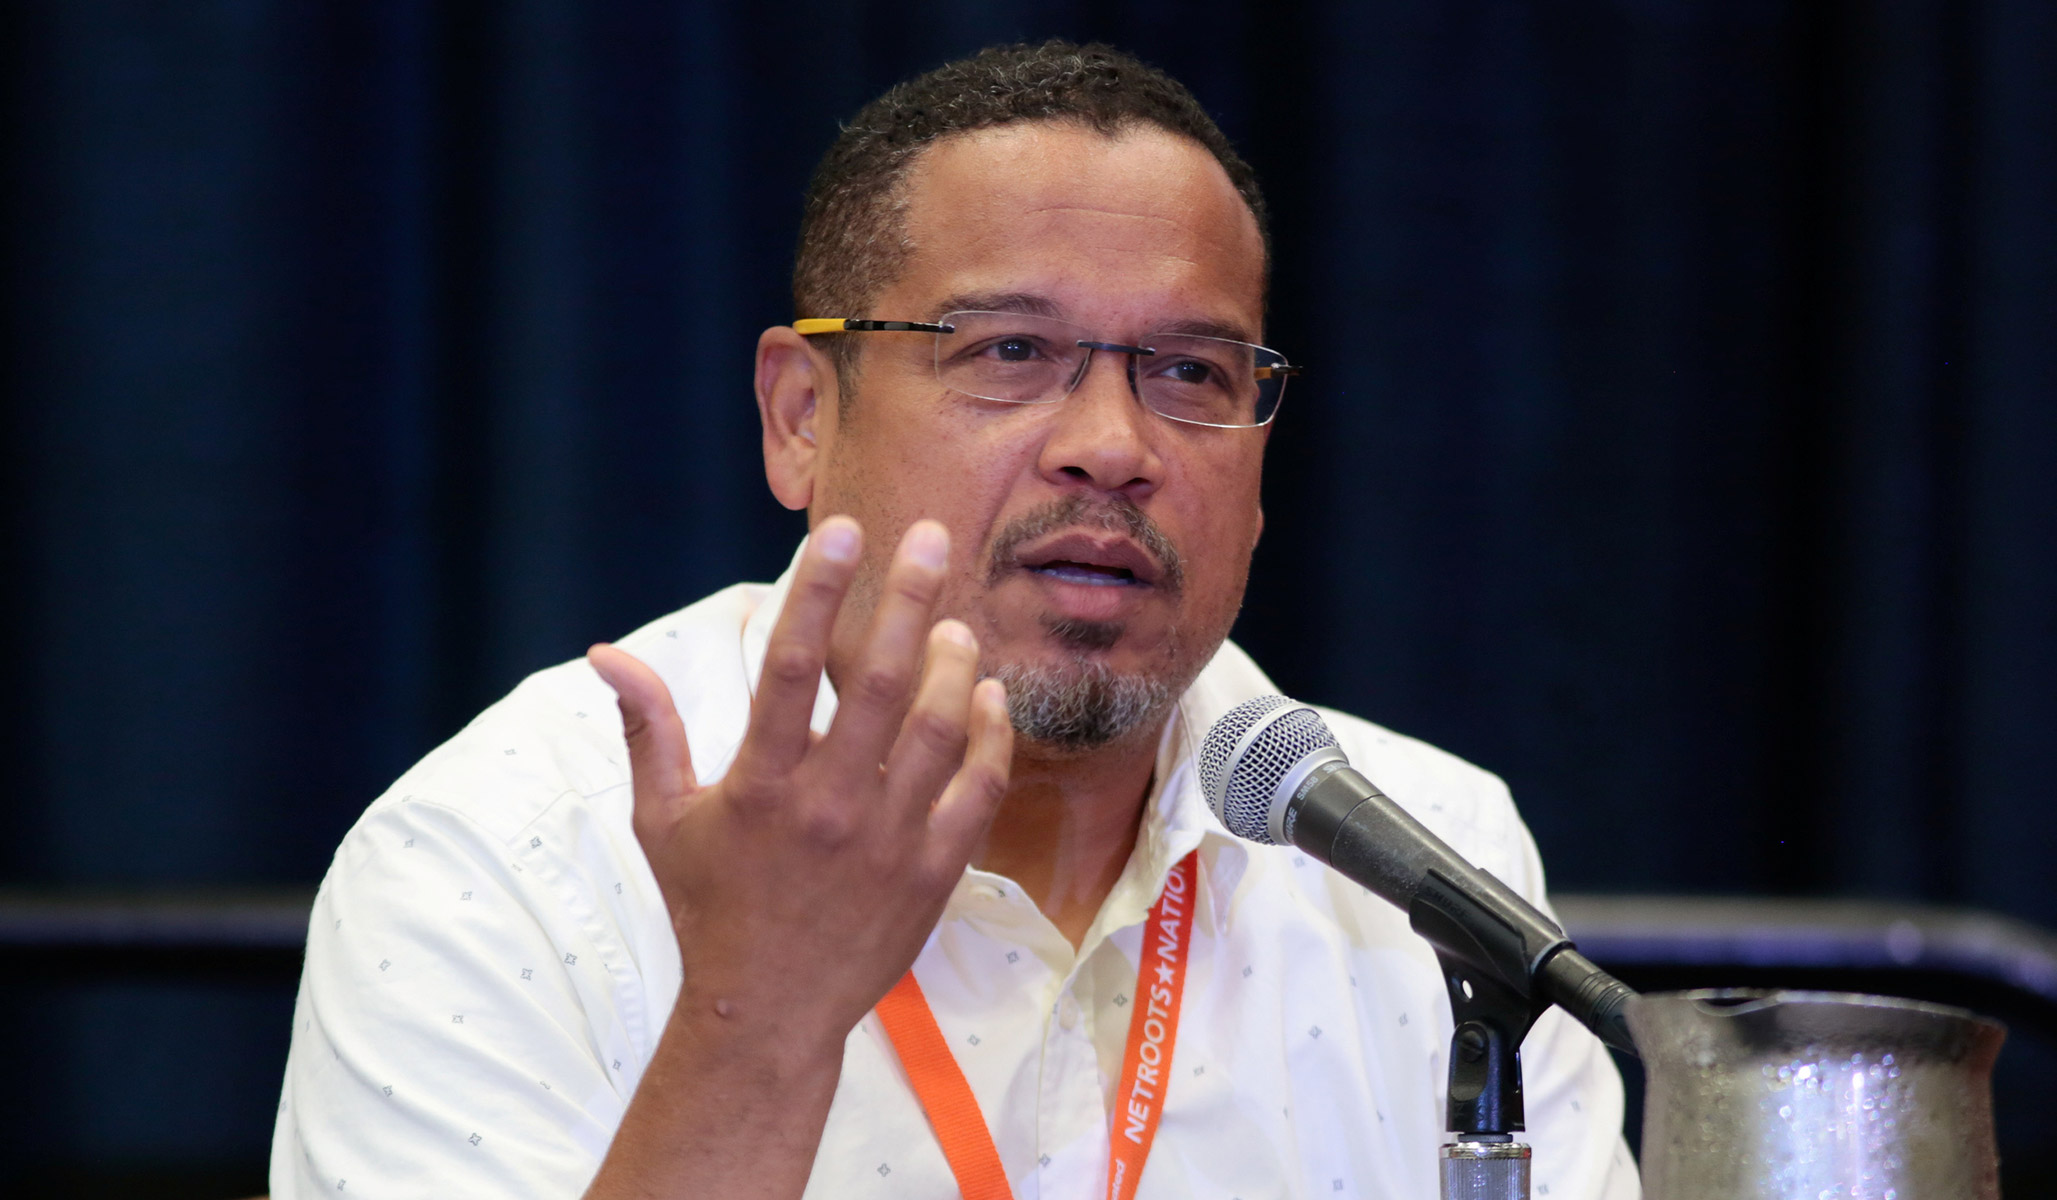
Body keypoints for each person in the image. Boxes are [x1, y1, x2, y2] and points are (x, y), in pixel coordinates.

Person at [271, 41, 1637, 1200]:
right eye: (1010, 353)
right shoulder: (496, 861)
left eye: (1189, 372)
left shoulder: (1428, 863)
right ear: (801, 418)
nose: (1113, 447)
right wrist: (756, 1020)